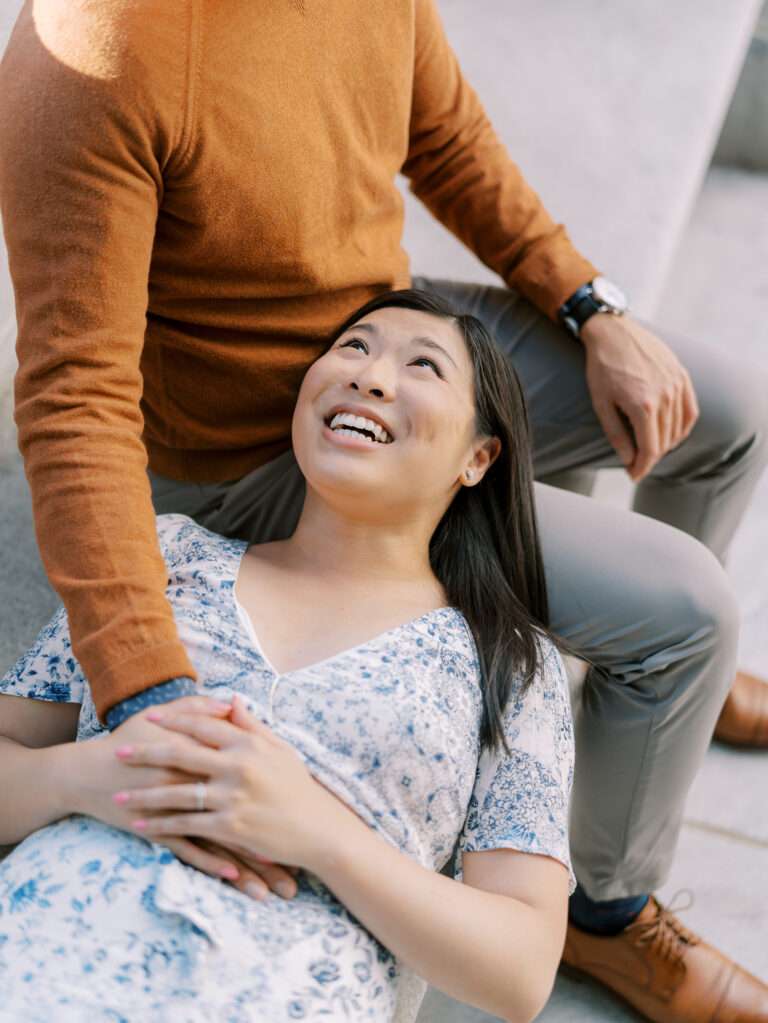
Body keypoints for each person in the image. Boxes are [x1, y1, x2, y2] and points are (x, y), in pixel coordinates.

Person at [0, 2, 767, 1020]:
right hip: (245, 447)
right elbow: (73, 401)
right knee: (686, 617)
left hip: (379, 331)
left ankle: (647, 729)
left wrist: (589, 305)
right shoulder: (94, 58)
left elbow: (446, 138)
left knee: (725, 412)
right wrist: (151, 704)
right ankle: (607, 908)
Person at [0, 292, 577, 1023]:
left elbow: (521, 970)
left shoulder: (510, 665)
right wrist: (88, 775)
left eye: (423, 365)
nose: (370, 377)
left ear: (478, 457)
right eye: (354, 347)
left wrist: (322, 832)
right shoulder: (166, 554)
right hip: (43, 961)